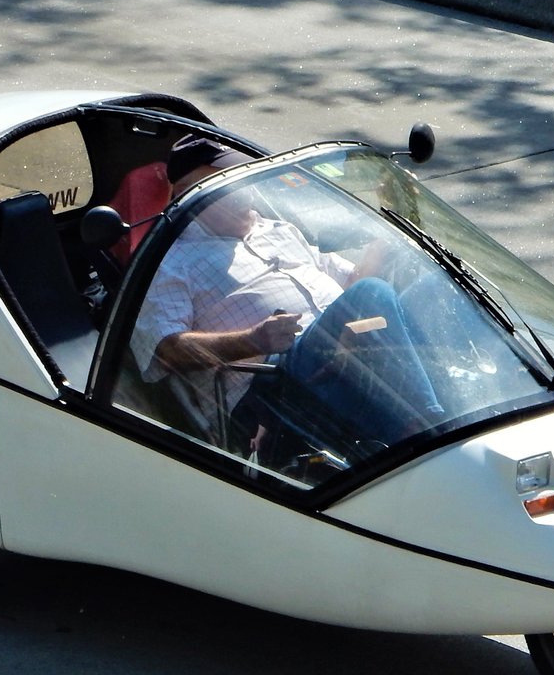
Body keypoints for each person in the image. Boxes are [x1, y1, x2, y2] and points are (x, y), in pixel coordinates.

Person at [130, 136, 443, 449]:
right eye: (228, 183)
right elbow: (166, 350)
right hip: (274, 387)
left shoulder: (278, 229)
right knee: (371, 293)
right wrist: (251, 340)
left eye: (244, 177)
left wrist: (394, 216)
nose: (244, 190)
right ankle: (433, 426)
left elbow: (359, 286)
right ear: (189, 194)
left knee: (432, 288)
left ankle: (453, 405)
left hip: (344, 350)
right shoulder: (170, 262)